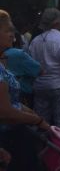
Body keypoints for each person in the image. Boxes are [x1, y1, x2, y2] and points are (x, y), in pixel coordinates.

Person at [0, 10, 49, 171]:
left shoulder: (3, 62)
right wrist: (38, 121)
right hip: (7, 138)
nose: (12, 34)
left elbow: (13, 102)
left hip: (14, 135)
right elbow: (5, 112)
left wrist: (32, 114)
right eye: (7, 30)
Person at [29, 8, 60, 129]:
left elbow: (31, 64)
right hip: (59, 85)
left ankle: (41, 147)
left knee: (41, 125)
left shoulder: (35, 41)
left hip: (40, 86)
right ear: (56, 23)